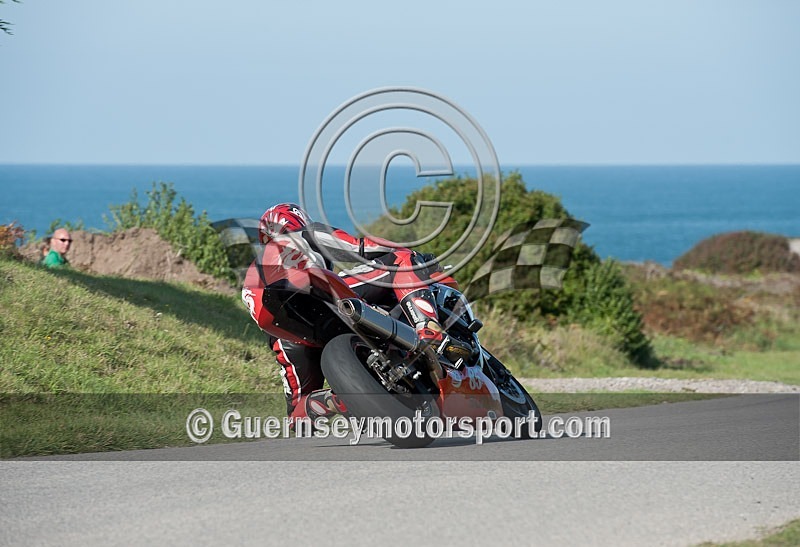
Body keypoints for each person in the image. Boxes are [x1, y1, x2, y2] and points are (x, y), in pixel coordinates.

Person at [241, 203, 469, 423]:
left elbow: (297, 418)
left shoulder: (257, 270)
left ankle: (336, 400)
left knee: (297, 410)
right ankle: (428, 328)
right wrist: (416, 256)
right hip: (315, 289)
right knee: (400, 257)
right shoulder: (305, 234)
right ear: (297, 220)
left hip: (281, 325)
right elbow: (362, 248)